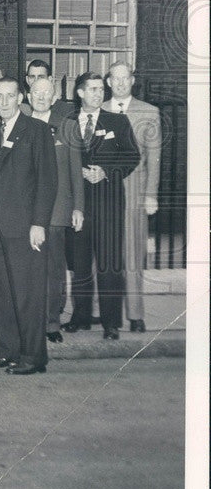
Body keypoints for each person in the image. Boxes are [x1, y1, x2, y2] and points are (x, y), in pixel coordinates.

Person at [0, 77, 58, 375]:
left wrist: (39, 223)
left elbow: (48, 181)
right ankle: (7, 350)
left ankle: (32, 356)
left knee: (27, 293)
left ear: (20, 98)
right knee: (2, 293)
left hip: (24, 227)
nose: (3, 102)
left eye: (9, 96)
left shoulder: (36, 131)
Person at [63, 71, 140, 340]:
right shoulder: (68, 121)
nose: (98, 93)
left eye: (100, 89)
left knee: (109, 265)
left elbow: (132, 157)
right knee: (80, 264)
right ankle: (80, 316)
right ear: (80, 93)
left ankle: (111, 323)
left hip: (108, 204)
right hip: (78, 206)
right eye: (92, 89)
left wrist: (105, 171)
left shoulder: (117, 121)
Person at [103, 61, 161, 332]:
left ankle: (136, 314)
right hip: (104, 190)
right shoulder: (98, 110)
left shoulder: (149, 112)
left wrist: (151, 195)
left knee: (133, 254)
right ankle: (105, 315)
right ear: (108, 82)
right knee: (104, 255)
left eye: (125, 78)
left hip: (135, 190)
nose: (121, 83)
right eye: (116, 78)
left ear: (132, 81)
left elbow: (154, 159)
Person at [27, 78, 84, 344]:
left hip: (56, 211)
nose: (41, 97)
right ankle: (30, 319)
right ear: (28, 96)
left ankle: (51, 322)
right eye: (37, 93)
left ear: (54, 97)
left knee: (53, 269)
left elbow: (75, 170)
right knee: (27, 268)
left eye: (46, 93)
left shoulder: (67, 127)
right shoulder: (20, 125)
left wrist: (78, 208)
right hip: (24, 210)